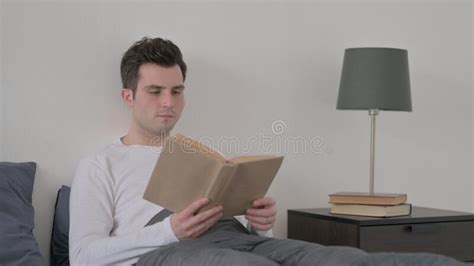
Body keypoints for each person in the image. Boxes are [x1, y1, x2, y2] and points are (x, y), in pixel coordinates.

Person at [69, 37, 465, 266]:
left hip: (238, 236)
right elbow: (83, 256)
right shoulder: (101, 163)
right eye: (155, 91)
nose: (168, 102)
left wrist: (261, 222)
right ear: (128, 96)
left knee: (348, 260)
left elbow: (252, 234)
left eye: (177, 90)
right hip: (167, 250)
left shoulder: (199, 156)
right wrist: (170, 230)